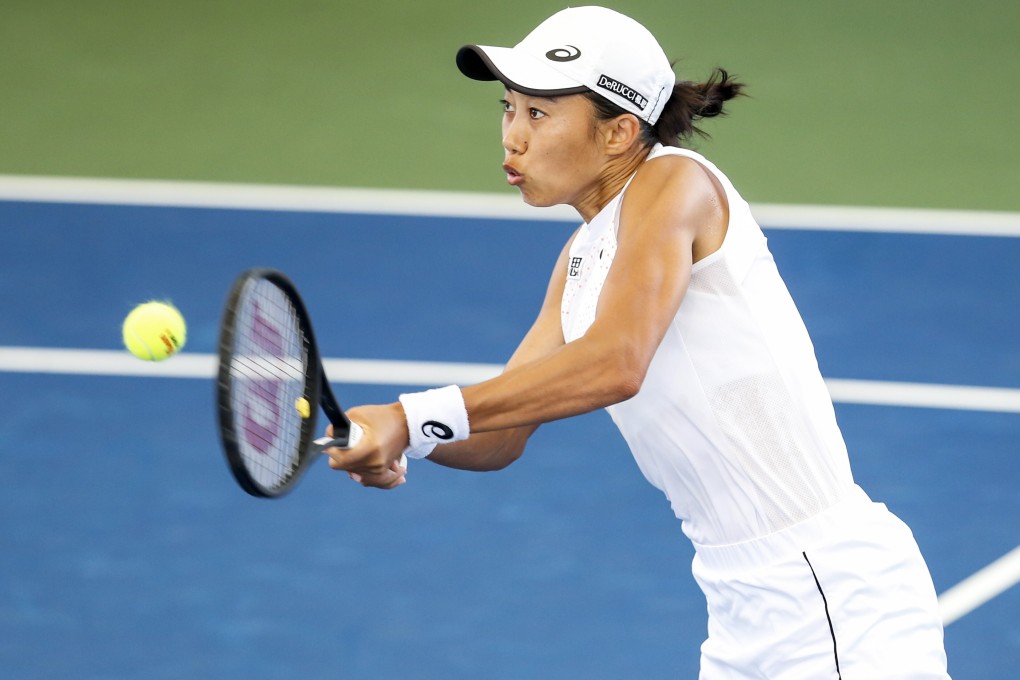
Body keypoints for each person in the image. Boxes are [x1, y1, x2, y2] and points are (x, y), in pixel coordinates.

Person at [325, 6, 951, 678]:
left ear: (621, 130)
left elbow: (617, 363)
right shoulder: (581, 261)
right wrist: (391, 435)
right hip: (741, 603)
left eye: (539, 114)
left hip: (828, 592)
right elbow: (497, 438)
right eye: (509, 108)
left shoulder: (675, 181)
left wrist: (412, 415)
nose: (512, 136)